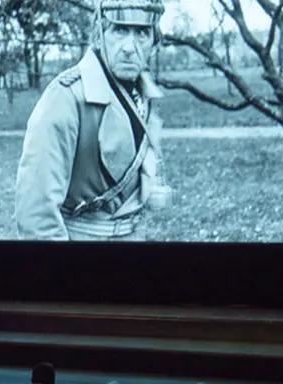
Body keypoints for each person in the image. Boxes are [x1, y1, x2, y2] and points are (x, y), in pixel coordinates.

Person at [15, 0, 172, 241]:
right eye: (119, 30)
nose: (130, 46)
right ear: (99, 34)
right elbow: (36, 214)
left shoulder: (143, 93)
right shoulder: (66, 96)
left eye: (142, 33)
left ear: (154, 40)